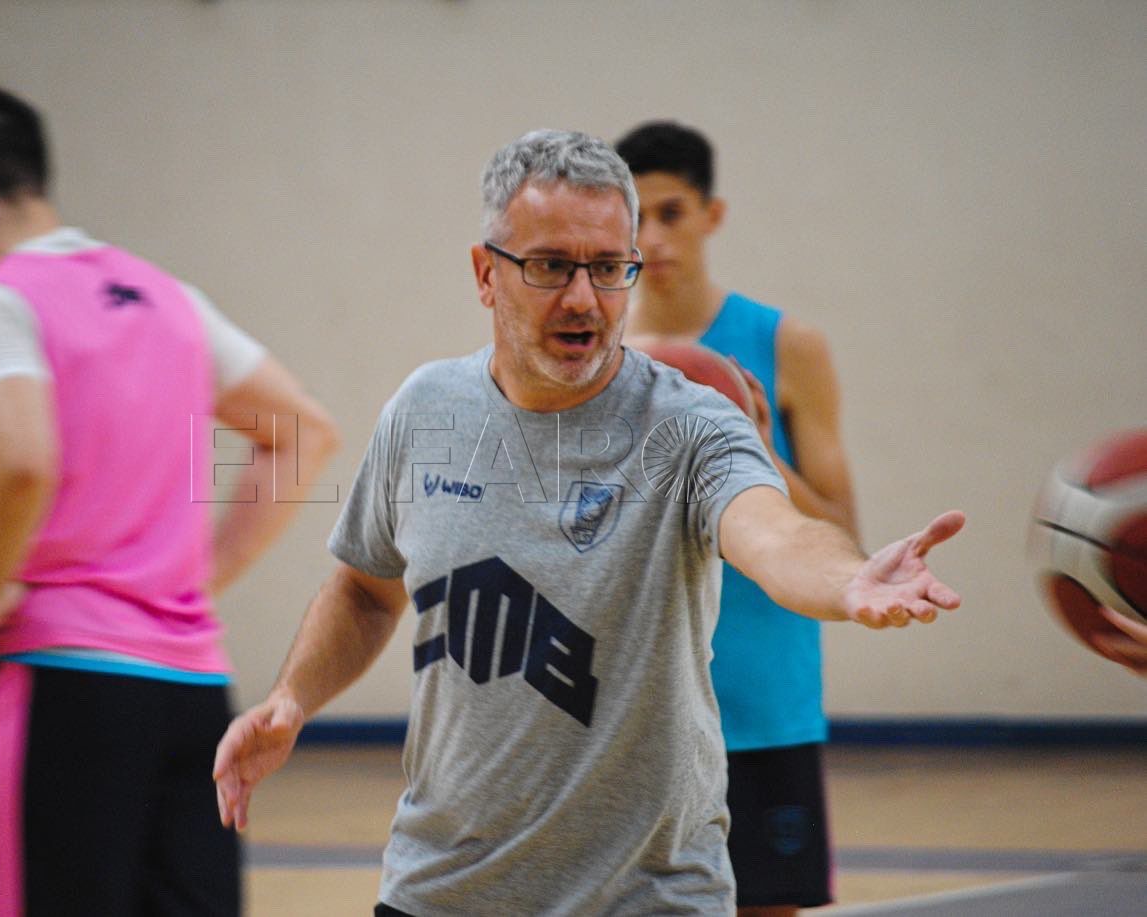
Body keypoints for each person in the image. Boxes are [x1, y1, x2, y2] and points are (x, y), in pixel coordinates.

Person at [212, 129, 964, 916]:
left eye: (608, 269)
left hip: (644, 896)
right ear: (484, 273)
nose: (582, 298)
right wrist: (292, 696)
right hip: (438, 889)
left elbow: (772, 534)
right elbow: (367, 590)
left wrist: (848, 579)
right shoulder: (425, 410)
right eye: (549, 266)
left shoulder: (688, 423)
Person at [0, 82, 339, 915]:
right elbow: (302, 432)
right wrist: (192, 583)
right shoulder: (168, 298)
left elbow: (24, 454)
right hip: (192, 697)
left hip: (57, 682)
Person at [615, 120, 855, 916]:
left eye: (672, 212)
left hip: (762, 702)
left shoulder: (785, 344)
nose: (652, 237)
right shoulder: (596, 354)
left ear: (712, 214)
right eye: (635, 217)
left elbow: (841, 534)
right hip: (642, 711)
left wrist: (757, 450)